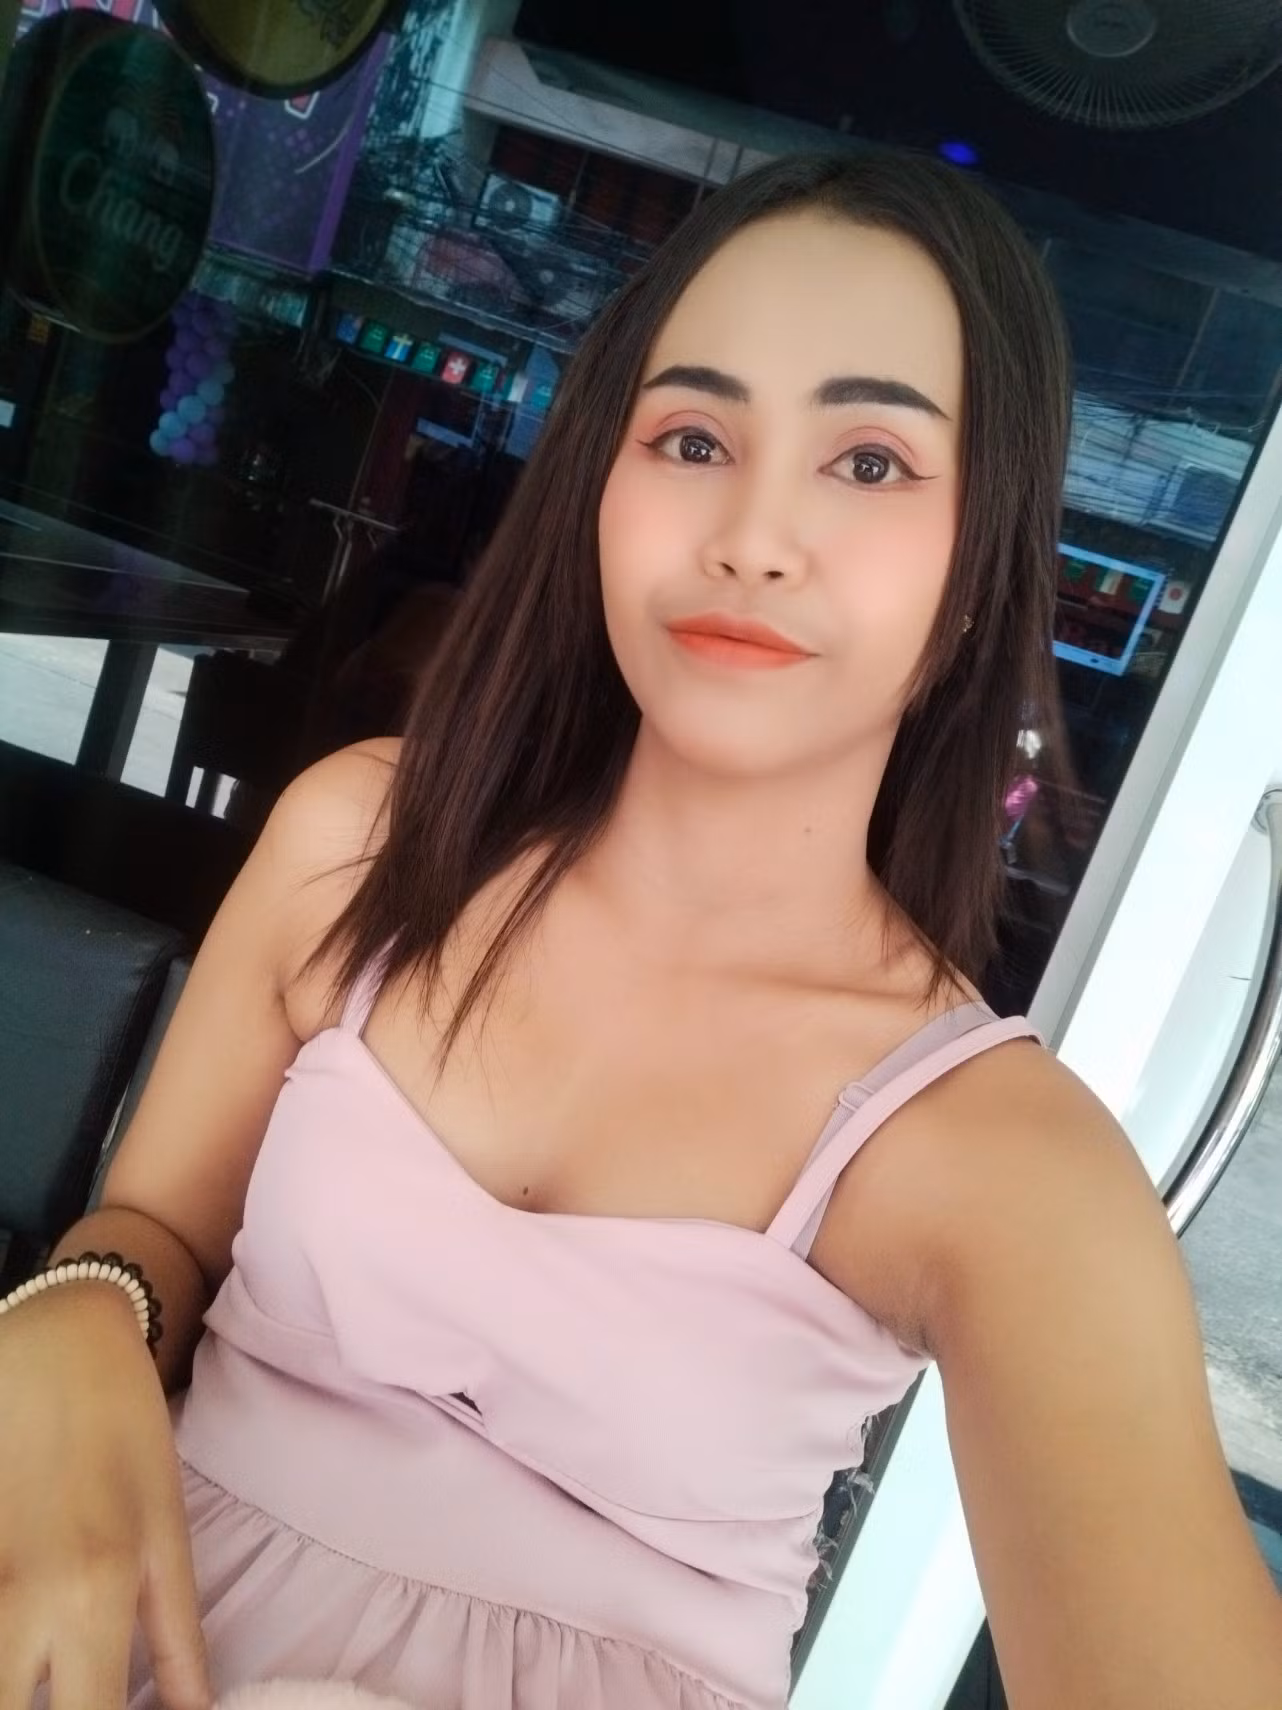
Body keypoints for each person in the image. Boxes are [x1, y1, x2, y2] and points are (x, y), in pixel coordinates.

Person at [2, 151, 1280, 1710]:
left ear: (973, 573)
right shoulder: (362, 845)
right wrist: (84, 1308)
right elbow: (157, 1232)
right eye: (691, 437)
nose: (753, 532)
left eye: (868, 460)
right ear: (599, 489)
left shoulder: (992, 1159)